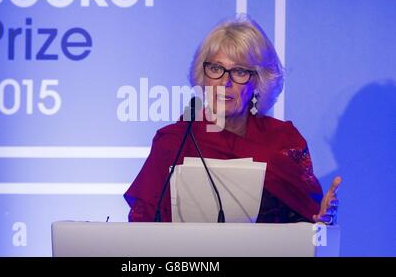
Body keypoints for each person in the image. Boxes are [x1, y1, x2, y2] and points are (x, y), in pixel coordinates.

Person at [124, 15, 341, 224]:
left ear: (258, 82)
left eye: (239, 71)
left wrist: (319, 221)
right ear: (203, 76)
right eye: (216, 69)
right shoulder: (174, 141)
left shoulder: (283, 141)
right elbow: (144, 222)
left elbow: (305, 223)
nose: (224, 83)